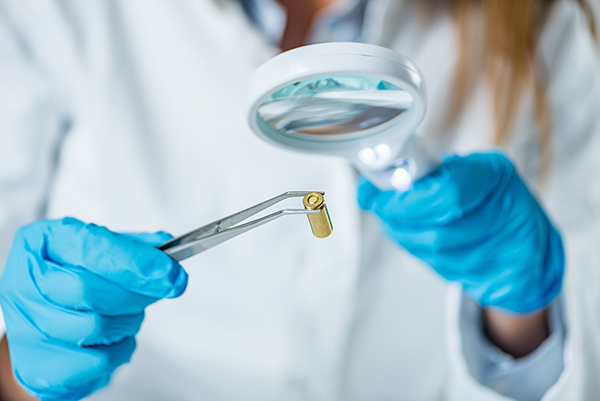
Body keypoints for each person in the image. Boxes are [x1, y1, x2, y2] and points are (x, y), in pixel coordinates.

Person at [0, 0, 598, 400]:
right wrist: (33, 366)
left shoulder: (548, 24)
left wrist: (522, 313)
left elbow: (570, 367)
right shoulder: (52, 13)